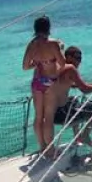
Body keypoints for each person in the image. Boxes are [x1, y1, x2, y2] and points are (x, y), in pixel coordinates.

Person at [45, 46, 92, 151]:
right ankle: (85, 135)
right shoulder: (70, 68)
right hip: (63, 116)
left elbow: (72, 84)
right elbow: (85, 89)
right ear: (68, 56)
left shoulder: (56, 67)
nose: (79, 61)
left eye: (80, 58)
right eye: (76, 57)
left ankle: (77, 137)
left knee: (74, 100)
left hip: (50, 115)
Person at [22, 15, 66, 156]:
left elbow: (25, 66)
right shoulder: (53, 44)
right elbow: (62, 63)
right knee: (49, 117)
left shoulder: (32, 44)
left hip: (37, 82)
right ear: (48, 27)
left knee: (38, 116)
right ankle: (51, 149)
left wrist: (37, 63)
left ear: (35, 29)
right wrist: (61, 48)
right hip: (50, 82)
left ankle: (42, 147)